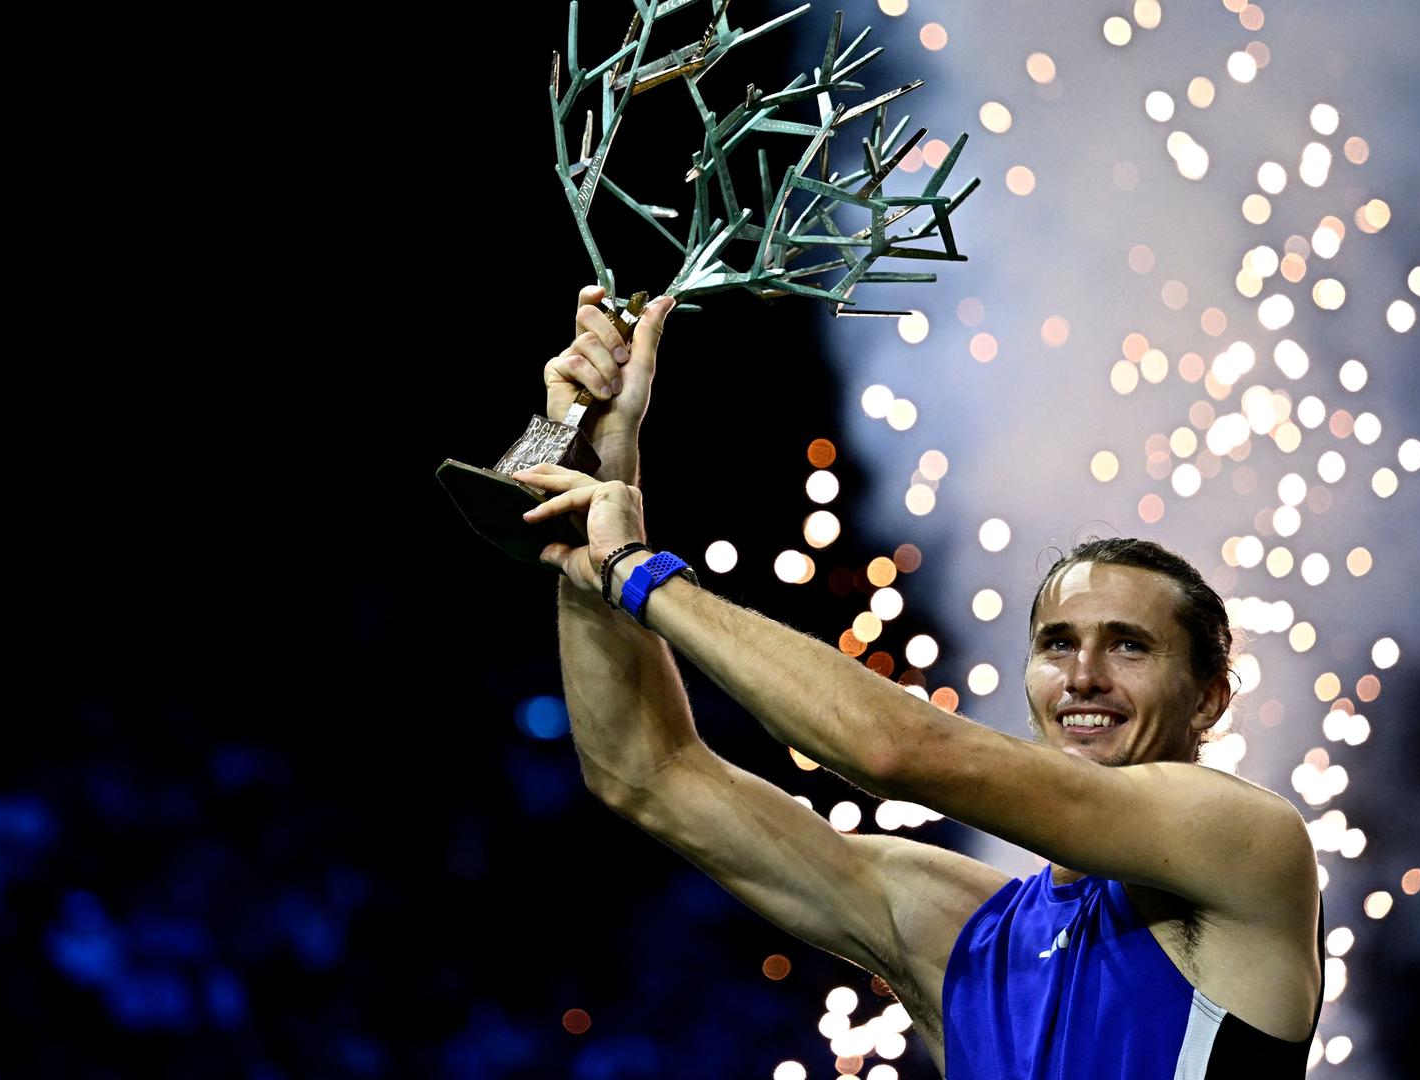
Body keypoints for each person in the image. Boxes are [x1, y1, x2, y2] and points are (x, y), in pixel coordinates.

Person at [514, 285, 1324, 1078]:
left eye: (1129, 646)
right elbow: (645, 772)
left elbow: (895, 748)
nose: (1083, 676)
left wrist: (640, 572)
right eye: (1057, 644)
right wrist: (602, 479)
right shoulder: (959, 930)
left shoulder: (1248, 848)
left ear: (1211, 695)